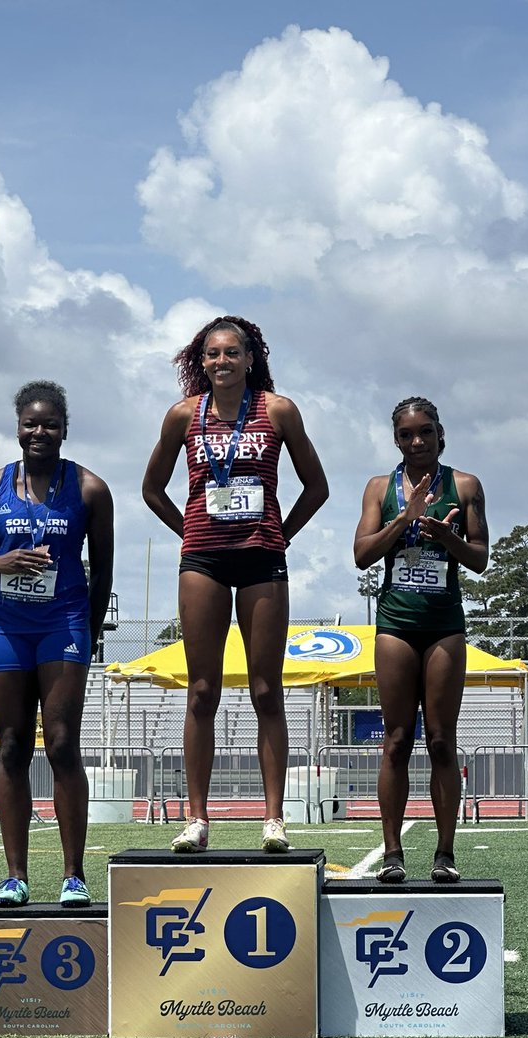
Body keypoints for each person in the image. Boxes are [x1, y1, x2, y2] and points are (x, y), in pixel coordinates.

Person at [142, 316, 329, 853]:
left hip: (262, 560)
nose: (220, 362)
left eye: (230, 353)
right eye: (211, 355)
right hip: (203, 561)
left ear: (250, 359)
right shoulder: (183, 416)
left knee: (266, 690)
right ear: (200, 363)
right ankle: (197, 819)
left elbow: (316, 486)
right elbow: (152, 489)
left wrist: (282, 535)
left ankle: (273, 820)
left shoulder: (278, 410)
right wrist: (190, 531)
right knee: (202, 691)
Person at [0, 380, 114, 907]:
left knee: (62, 742)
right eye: (31, 424)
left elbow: (103, 571)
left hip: (63, 624)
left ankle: (73, 875)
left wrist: (85, 631)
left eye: (50, 425)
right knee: (14, 745)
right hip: (6, 627)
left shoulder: (89, 489)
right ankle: (15, 876)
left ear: (65, 430)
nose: (40, 432)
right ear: (18, 428)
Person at [353, 397, 488, 883]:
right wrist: (403, 519)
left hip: (444, 625)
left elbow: (478, 559)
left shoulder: (465, 485)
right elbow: (361, 555)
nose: (417, 441)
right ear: (396, 440)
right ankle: (392, 854)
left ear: (439, 434)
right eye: (408, 434)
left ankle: (445, 854)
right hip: (396, 623)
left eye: (425, 432)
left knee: (441, 741)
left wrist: (442, 535)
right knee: (396, 740)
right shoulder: (378, 487)